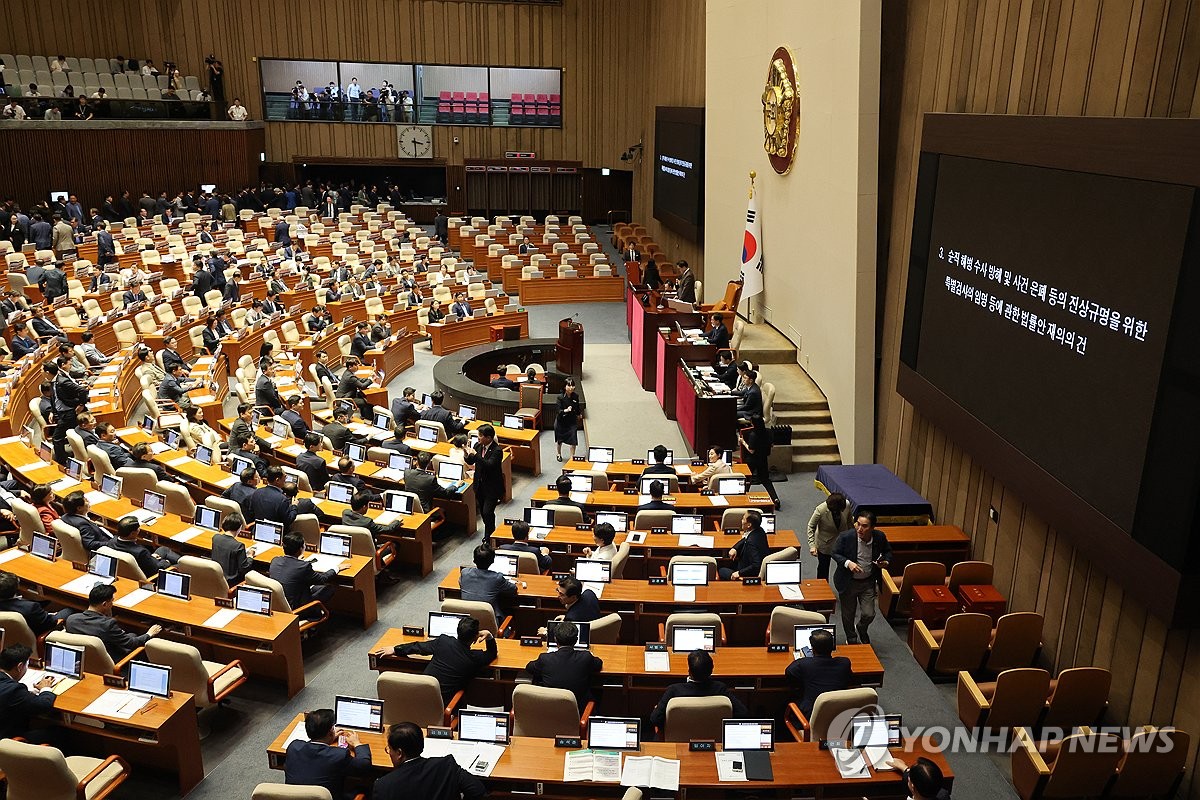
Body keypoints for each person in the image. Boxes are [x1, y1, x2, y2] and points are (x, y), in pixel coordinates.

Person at [382, 616, 497, 703]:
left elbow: (419, 647)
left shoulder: (443, 641)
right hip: (443, 703)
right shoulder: (474, 658)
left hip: (419, 694)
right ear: (475, 637)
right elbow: (492, 654)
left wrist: (395, 649)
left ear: (457, 631)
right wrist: (489, 636)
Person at [372, 721, 487, 800]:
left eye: (389, 749)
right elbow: (478, 790)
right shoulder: (446, 765)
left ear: (399, 753)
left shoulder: (383, 786)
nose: (389, 753)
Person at [649, 650, 749, 737]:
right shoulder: (720, 689)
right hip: (716, 743)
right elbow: (743, 714)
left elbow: (655, 719)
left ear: (689, 671)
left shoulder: (674, 691)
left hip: (678, 742)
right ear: (711, 670)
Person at [283, 707, 373, 799]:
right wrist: (356, 743)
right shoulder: (339, 755)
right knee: (365, 787)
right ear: (330, 731)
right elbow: (364, 766)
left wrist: (327, 739)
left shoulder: (293, 747)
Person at [832, 509, 891, 646]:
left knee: (869, 614)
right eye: (857, 524)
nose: (859, 529)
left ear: (872, 527)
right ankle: (851, 638)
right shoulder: (846, 537)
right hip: (848, 581)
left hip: (868, 582)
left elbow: (887, 552)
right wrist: (848, 563)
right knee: (848, 614)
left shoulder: (879, 537)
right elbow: (835, 553)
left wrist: (885, 562)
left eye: (864, 526)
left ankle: (862, 628)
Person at [66, 583, 163, 661]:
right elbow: (131, 643)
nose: (113, 604)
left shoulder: (71, 620)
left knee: (132, 634)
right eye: (111, 601)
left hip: (86, 660)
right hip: (111, 659)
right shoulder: (107, 625)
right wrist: (149, 634)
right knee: (135, 638)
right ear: (104, 604)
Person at [525, 621, 603, 711]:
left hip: (550, 710)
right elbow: (598, 664)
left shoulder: (545, 659)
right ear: (576, 640)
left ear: (555, 639)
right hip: (578, 710)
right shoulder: (586, 657)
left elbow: (529, 667)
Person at [270, 531, 345, 614]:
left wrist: (298, 560)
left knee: (315, 587)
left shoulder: (275, 560)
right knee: (329, 588)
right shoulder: (304, 567)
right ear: (301, 549)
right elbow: (322, 579)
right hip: (296, 610)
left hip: (277, 606)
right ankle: (314, 614)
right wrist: (336, 568)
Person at [783, 628, 851, 717]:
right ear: (832, 646)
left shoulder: (804, 664)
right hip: (839, 716)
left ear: (813, 649)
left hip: (812, 716)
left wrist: (805, 659)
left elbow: (789, 672)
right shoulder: (845, 663)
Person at [0, 644, 61, 744]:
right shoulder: (14, 690)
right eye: (27, 664)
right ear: (20, 667)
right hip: (6, 740)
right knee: (58, 732)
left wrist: (27, 694)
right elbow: (43, 705)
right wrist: (45, 688)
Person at [464, 423, 504, 539]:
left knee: (487, 512)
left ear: (489, 438)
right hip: (479, 486)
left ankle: (489, 535)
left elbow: (489, 465)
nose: (478, 438)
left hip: (492, 487)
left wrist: (475, 455)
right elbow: (471, 462)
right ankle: (490, 531)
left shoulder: (497, 450)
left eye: (480, 436)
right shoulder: (478, 446)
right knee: (483, 512)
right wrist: (467, 455)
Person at [106, 515, 181, 578]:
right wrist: (165, 562)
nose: (139, 529)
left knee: (163, 549)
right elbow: (155, 571)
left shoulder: (111, 542)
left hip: (142, 564)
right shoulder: (141, 552)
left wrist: (151, 558)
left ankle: (182, 559)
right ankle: (184, 561)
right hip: (151, 574)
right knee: (183, 565)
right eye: (138, 528)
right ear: (132, 533)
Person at [459, 545, 519, 620]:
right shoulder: (497, 578)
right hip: (491, 622)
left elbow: (461, 584)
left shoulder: (464, 573)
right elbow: (513, 589)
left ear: (474, 560)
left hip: (467, 622)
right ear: (492, 561)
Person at [0, 570, 69, 634]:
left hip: (8, 635)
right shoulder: (30, 607)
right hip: (33, 634)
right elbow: (51, 623)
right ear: (16, 589)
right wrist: (51, 615)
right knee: (69, 610)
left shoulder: (28, 606)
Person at [739, 413, 780, 509]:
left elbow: (751, 450)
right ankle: (775, 499)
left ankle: (741, 499)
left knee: (747, 479)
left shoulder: (753, 435)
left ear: (753, 424)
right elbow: (772, 445)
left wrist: (743, 442)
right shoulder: (769, 432)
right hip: (763, 459)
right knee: (765, 479)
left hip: (752, 460)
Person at [807, 492, 849, 581]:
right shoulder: (821, 509)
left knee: (844, 567)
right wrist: (812, 545)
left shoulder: (847, 504)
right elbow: (811, 526)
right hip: (825, 544)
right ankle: (822, 591)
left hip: (843, 543)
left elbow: (850, 523)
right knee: (823, 568)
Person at [403, 450, 459, 516]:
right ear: (429, 463)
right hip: (424, 513)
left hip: (409, 508)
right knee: (443, 511)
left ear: (416, 462)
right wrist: (456, 485)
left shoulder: (407, 472)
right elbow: (445, 493)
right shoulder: (430, 479)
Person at [720, 509, 769, 580]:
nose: (741, 521)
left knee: (721, 570)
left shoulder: (751, 543)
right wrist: (735, 548)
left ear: (749, 525)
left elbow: (756, 565)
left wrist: (739, 573)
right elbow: (745, 538)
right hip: (745, 563)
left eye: (743, 519)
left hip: (746, 575)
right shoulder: (760, 530)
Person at [211, 512, 255, 585]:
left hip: (216, 577)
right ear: (239, 528)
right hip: (231, 582)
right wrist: (250, 556)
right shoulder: (239, 546)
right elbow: (244, 568)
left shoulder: (215, 538)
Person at [554, 377, 582, 462]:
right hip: (561, 422)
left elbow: (577, 407)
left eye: (572, 385)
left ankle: (572, 458)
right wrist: (566, 410)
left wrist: (579, 414)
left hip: (571, 421)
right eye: (569, 386)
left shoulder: (575, 396)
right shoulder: (560, 397)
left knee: (573, 440)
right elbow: (558, 411)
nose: (571, 388)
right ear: (564, 387)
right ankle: (558, 454)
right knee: (560, 440)